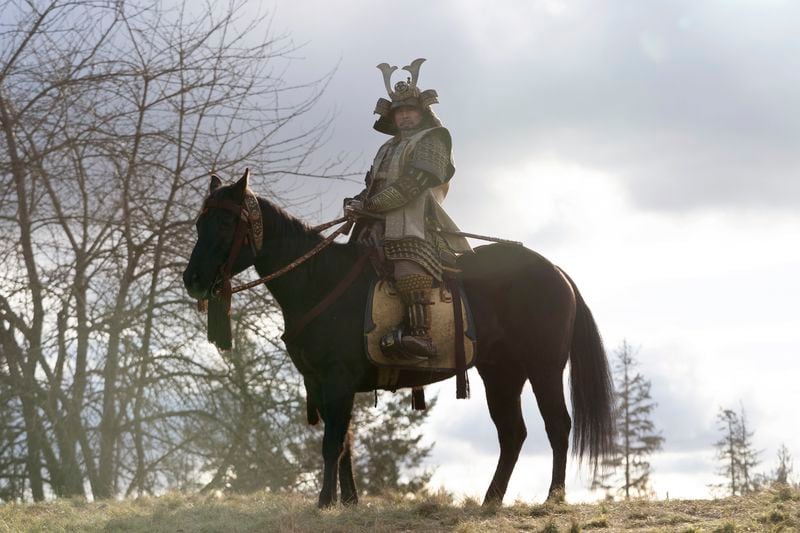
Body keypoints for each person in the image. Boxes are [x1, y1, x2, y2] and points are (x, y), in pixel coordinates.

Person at [345, 58, 472, 361]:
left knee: (407, 262)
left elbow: (413, 185)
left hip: (418, 224)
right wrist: (356, 202)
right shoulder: (385, 148)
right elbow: (373, 185)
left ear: (422, 112)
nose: (404, 117)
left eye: (410, 110)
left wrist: (371, 205)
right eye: (399, 112)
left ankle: (421, 336)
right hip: (375, 222)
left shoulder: (434, 139)